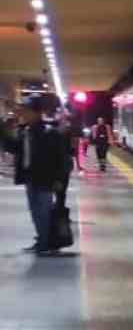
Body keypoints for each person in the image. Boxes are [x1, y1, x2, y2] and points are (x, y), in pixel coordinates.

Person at [1, 95, 72, 255]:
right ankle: (42, 240)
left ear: (36, 112)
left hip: (44, 179)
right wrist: (3, 133)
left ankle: (46, 242)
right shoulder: (25, 131)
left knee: (43, 212)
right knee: (35, 211)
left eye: (26, 111)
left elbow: (60, 158)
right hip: (30, 179)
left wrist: (59, 180)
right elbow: (15, 148)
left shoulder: (49, 132)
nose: (23, 114)